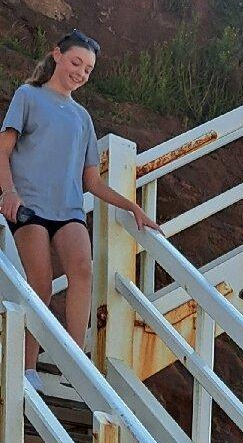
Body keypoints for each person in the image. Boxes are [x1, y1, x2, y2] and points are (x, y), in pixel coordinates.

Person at [0, 30, 151, 390]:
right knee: (41, 284)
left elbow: (91, 183)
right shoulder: (28, 96)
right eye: (76, 63)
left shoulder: (83, 118)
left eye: (88, 68)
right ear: (57, 56)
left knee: (83, 270)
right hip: (29, 208)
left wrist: (131, 206)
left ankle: (72, 359)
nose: (81, 73)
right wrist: (8, 192)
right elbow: (3, 150)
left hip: (68, 210)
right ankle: (28, 367)